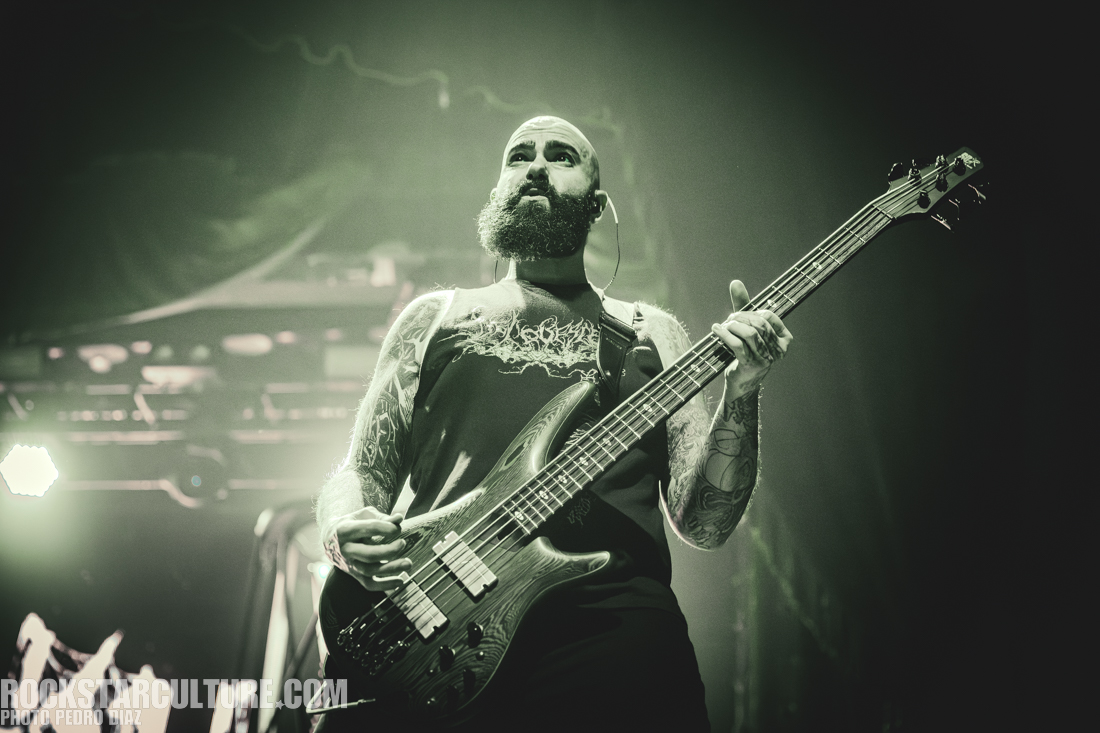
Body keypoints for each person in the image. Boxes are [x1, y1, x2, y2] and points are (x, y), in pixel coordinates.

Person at [313, 116, 792, 731]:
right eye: (519, 156)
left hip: (614, 640)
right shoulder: (433, 318)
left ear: (596, 204)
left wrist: (743, 390)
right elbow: (362, 471)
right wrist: (340, 531)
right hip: (442, 630)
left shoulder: (653, 333)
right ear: (498, 190)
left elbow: (705, 522)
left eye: (561, 156)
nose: (536, 166)